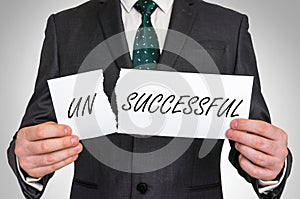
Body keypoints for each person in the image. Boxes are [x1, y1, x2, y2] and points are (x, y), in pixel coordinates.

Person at [7, 0, 292, 198]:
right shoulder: (65, 26)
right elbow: (34, 130)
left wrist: (270, 168)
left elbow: (254, 134)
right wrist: (29, 164)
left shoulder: (230, 26)